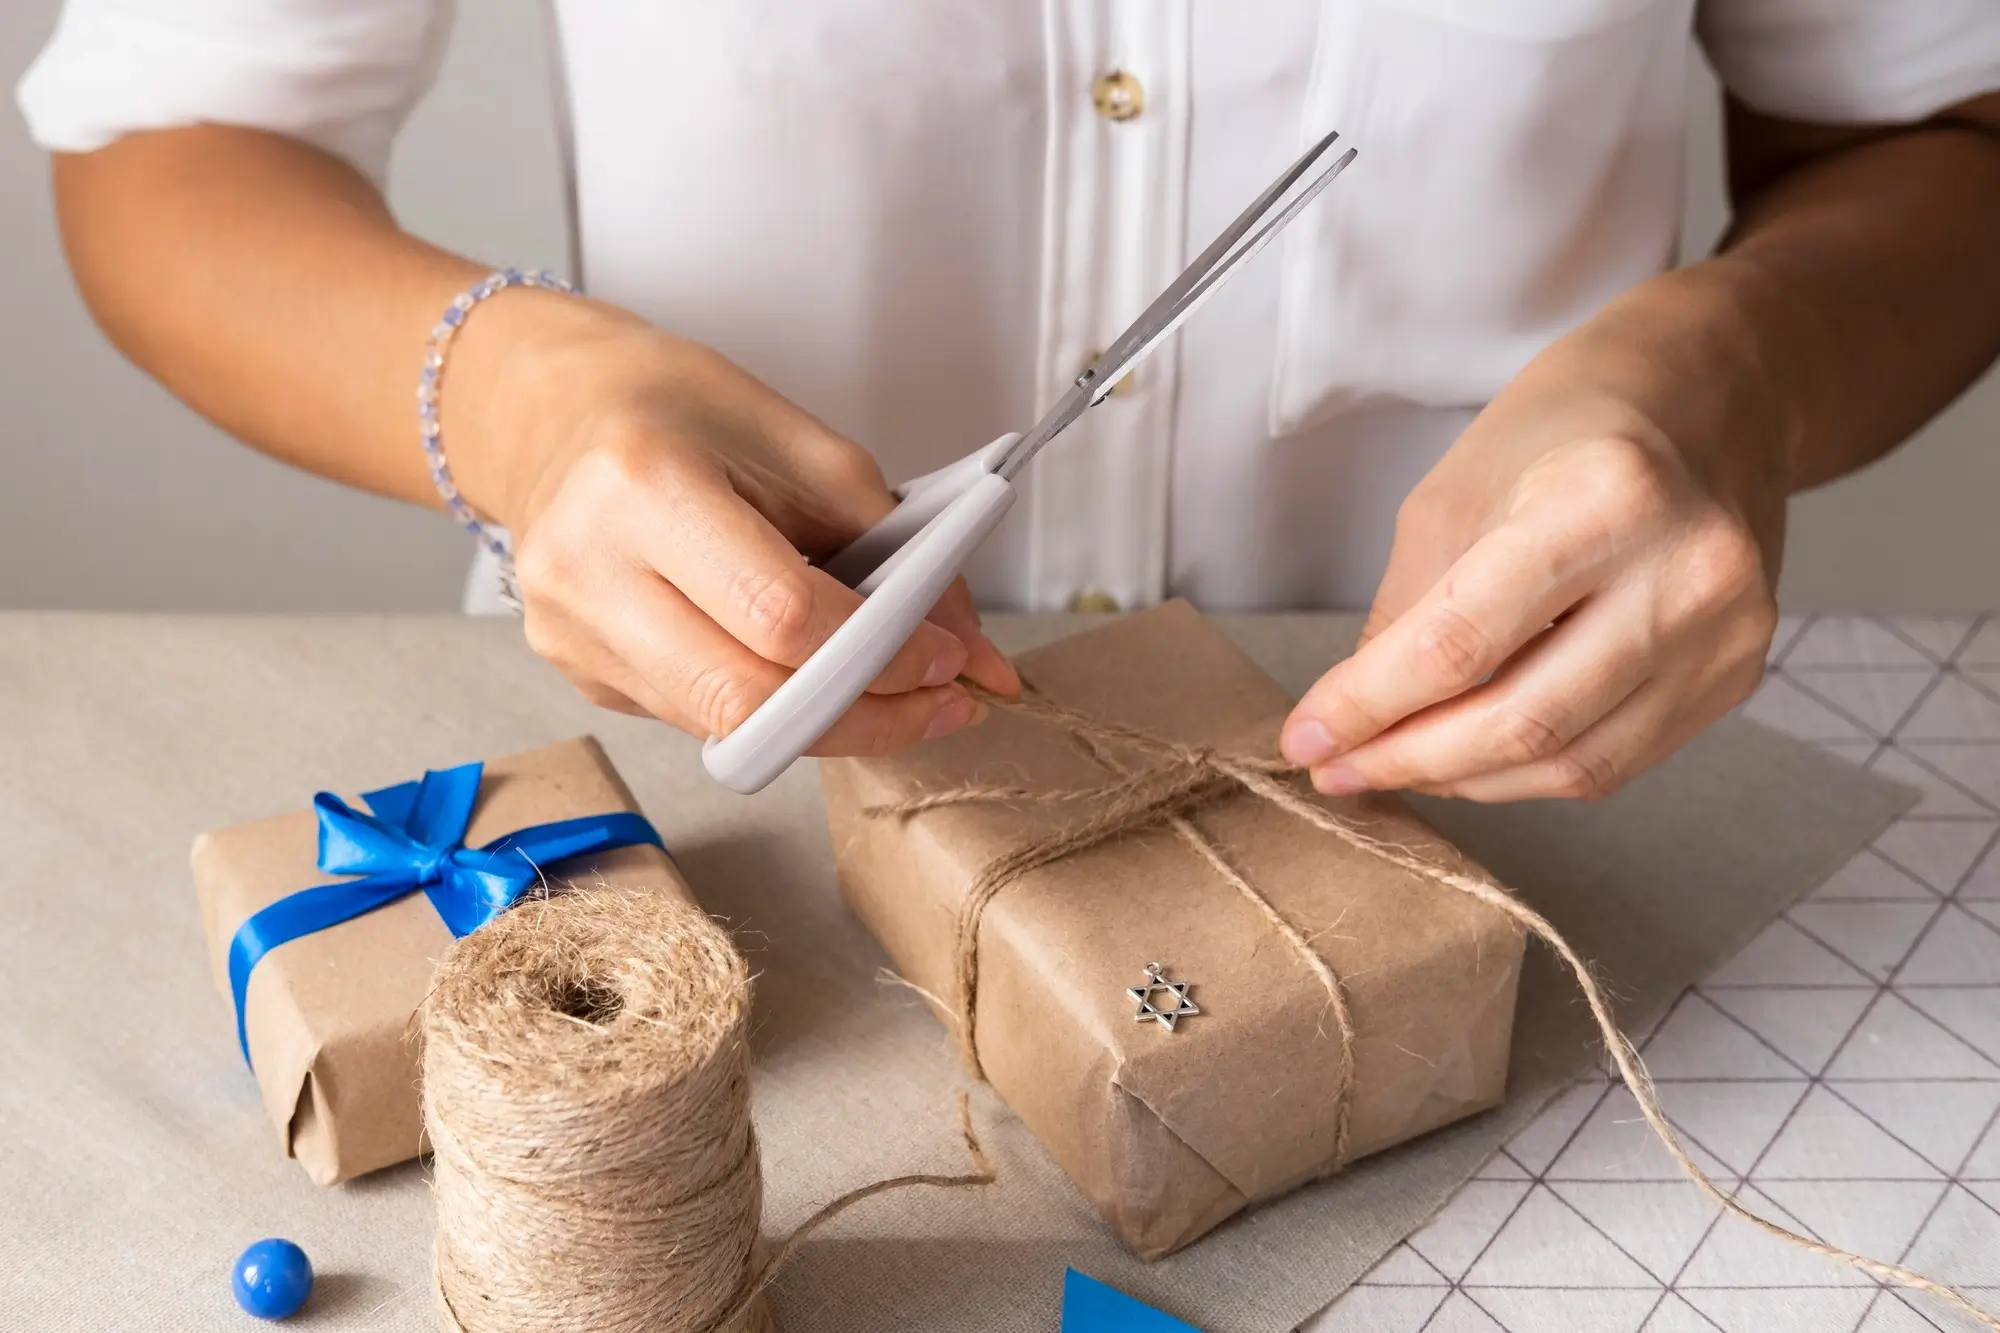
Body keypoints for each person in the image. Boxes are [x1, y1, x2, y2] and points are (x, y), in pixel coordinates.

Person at [19, 2, 2000, 802]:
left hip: (1516, 790)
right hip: (708, 799)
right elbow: (167, 146)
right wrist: (525, 407)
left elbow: (1940, 139)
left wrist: (1732, 366)